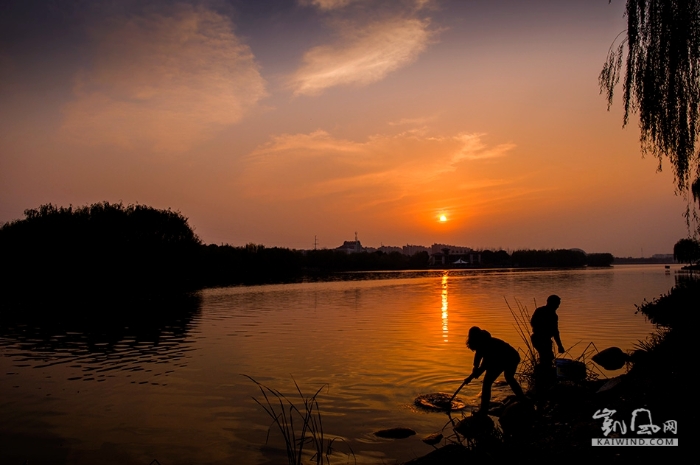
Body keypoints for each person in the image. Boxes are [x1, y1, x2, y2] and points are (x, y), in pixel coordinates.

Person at [464, 326, 526, 415]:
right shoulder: (480, 344)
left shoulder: (487, 344)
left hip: (510, 357)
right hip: (500, 359)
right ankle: (522, 398)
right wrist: (474, 371)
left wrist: (471, 377)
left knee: (490, 382)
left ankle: (483, 410)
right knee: (505, 378)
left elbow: (485, 365)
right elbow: (478, 359)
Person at [530, 294, 565, 366]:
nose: (558, 306)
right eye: (557, 304)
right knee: (547, 358)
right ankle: (544, 373)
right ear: (551, 303)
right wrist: (560, 346)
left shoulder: (540, 311)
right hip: (541, 339)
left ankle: (542, 371)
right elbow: (555, 332)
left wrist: (559, 345)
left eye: (558, 304)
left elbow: (533, 323)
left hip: (539, 339)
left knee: (546, 357)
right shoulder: (552, 315)